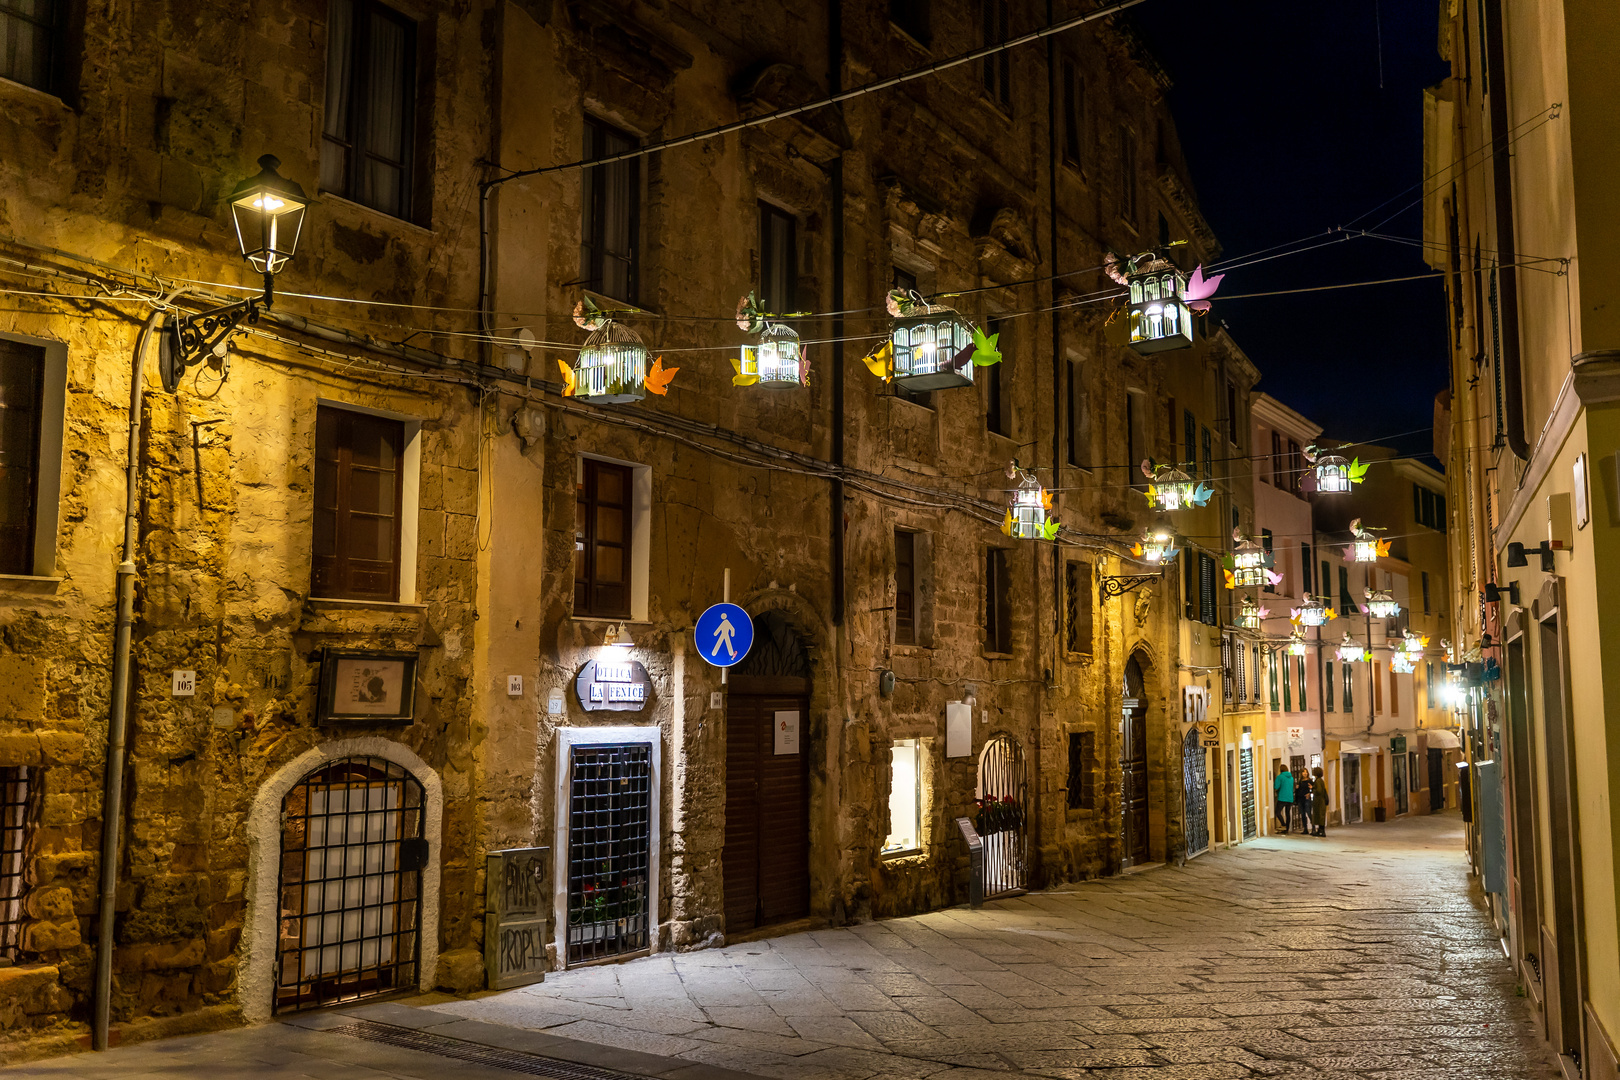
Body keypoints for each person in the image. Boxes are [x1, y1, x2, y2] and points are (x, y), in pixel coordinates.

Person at [1273, 763, 1294, 831]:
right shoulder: (1291, 778)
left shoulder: (1280, 777)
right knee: (1288, 813)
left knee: (1277, 812)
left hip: (1282, 797)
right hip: (1290, 798)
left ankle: (1283, 824)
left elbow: (1276, 787)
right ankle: (1287, 828)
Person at [1311, 766, 1330, 836]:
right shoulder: (1320, 780)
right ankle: (1320, 830)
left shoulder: (1318, 781)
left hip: (1319, 801)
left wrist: (1313, 789)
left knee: (1319, 816)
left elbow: (1318, 790)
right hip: (1321, 801)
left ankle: (1321, 831)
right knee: (1321, 816)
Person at [1293, 767, 1312, 834]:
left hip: (1306, 799)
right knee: (1303, 814)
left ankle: (1313, 827)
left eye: (1306, 772)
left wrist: (1309, 793)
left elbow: (1312, 789)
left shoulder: (1309, 781)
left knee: (1309, 813)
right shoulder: (1299, 781)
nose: (1305, 773)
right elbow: (1297, 790)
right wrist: (1296, 788)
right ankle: (1305, 828)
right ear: (1301, 773)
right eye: (1304, 772)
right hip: (1300, 799)